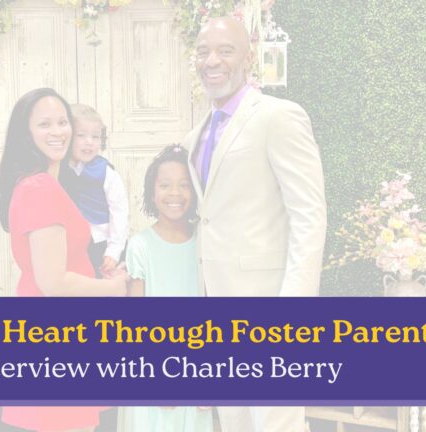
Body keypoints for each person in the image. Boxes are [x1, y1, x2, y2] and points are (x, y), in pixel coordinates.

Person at [183, 17, 327, 432]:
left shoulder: (278, 116)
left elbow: (308, 213)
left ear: (248, 56)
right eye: (203, 51)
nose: (212, 61)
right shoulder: (196, 135)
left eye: (225, 50)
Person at [0, 87, 127, 432]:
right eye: (44, 125)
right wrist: (116, 288)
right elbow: (53, 282)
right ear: (26, 133)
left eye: (62, 122)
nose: (58, 132)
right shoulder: (40, 189)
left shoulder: (46, 183)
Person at [118, 145, 212, 432]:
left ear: (196, 191)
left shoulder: (206, 241)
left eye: (184, 185)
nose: (175, 194)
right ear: (152, 191)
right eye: (165, 185)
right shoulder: (140, 246)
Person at [59, 104, 129, 277]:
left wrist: (114, 250)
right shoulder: (58, 169)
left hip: (101, 246)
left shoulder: (106, 173)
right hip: (69, 247)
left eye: (95, 136)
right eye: (81, 135)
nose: (89, 142)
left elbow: (119, 213)